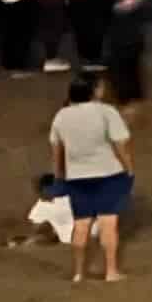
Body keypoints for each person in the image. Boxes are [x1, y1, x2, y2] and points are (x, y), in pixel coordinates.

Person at [48, 72, 134, 285]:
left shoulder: (62, 116)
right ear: (94, 90)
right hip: (108, 175)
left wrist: (59, 176)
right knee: (108, 223)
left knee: (81, 224)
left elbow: (57, 150)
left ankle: (79, 272)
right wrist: (128, 168)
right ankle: (111, 271)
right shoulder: (106, 112)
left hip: (77, 177)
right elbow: (120, 144)